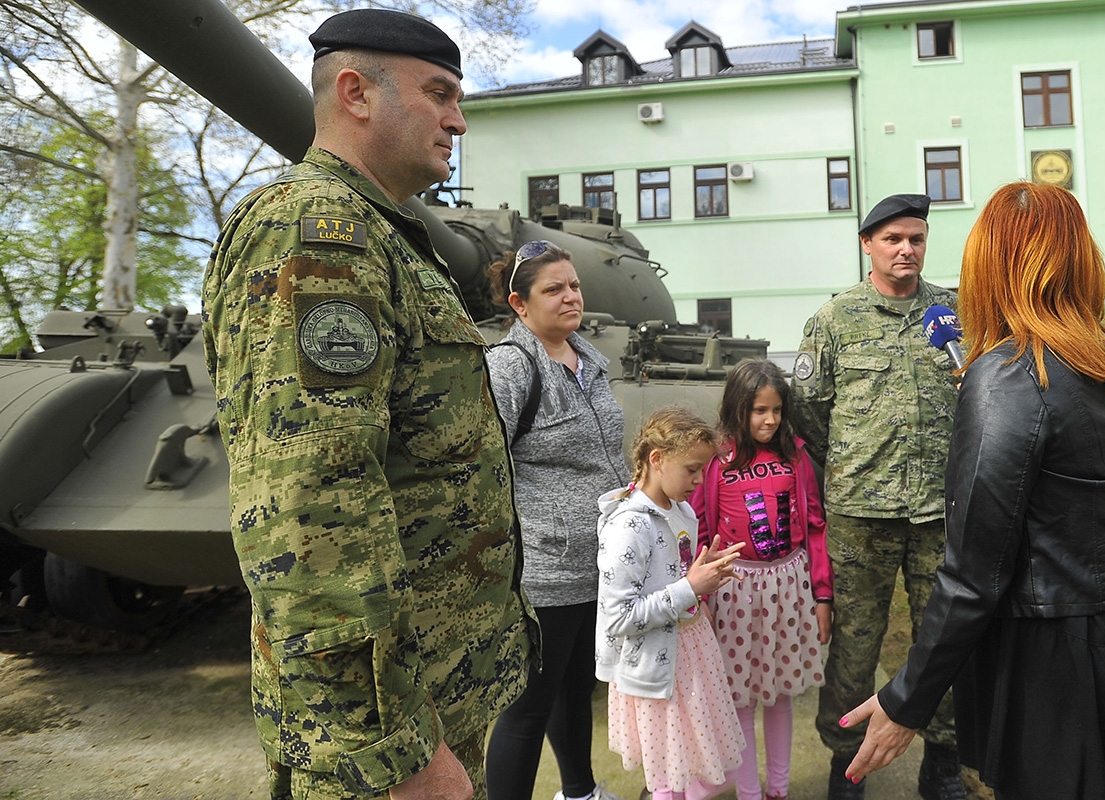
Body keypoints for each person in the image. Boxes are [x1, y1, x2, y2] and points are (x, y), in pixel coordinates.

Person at [201, 10, 537, 800]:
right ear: (355, 92)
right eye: (440, 93)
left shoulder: (382, 237)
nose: (458, 118)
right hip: (388, 736)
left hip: (430, 693)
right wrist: (389, 751)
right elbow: (310, 509)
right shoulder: (315, 232)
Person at [840, 181, 1105, 799]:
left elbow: (973, 574)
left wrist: (906, 702)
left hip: (1072, 675)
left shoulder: (1006, 378)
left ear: (989, 266)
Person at [791, 194, 966, 800]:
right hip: (860, 514)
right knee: (854, 647)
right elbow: (810, 412)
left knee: (942, 640)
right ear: (868, 244)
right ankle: (848, 764)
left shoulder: (955, 313)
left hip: (940, 512)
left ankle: (943, 760)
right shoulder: (834, 319)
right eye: (893, 239)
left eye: (916, 238)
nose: (906, 249)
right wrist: (854, 466)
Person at [483, 241, 630, 800]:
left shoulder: (588, 359)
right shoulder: (512, 367)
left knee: (574, 690)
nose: (570, 296)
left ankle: (579, 792)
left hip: (596, 561)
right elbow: (482, 463)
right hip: (544, 571)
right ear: (520, 305)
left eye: (573, 285)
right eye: (553, 289)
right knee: (527, 707)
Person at [688, 358, 834, 800]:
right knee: (742, 700)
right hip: (734, 593)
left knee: (782, 694)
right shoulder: (716, 461)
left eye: (776, 410)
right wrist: (701, 598)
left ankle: (779, 791)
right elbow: (696, 527)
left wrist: (822, 594)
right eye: (758, 411)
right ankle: (750, 793)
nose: (769, 420)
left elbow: (814, 525)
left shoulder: (796, 455)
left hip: (788, 591)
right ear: (737, 408)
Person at [596, 406, 748, 800]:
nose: (699, 481)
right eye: (692, 469)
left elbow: (674, 575)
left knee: (709, 771)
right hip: (657, 669)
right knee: (670, 776)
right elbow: (619, 617)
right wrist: (689, 588)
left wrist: (701, 574)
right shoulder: (628, 526)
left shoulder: (680, 510)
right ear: (656, 459)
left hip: (692, 654)